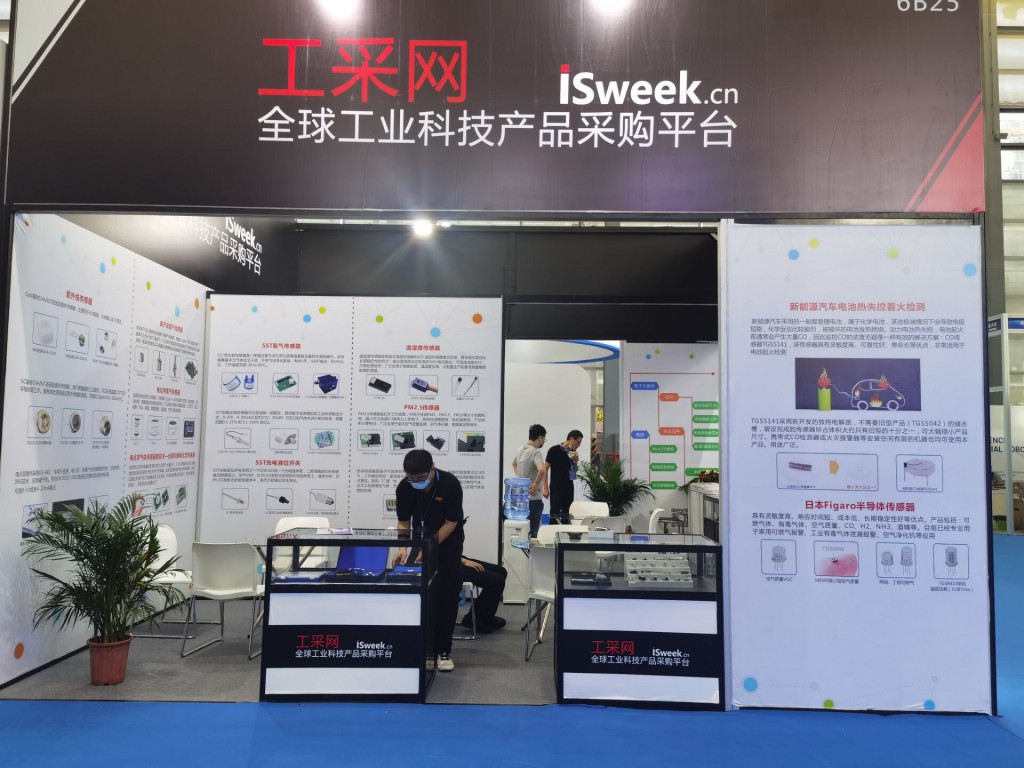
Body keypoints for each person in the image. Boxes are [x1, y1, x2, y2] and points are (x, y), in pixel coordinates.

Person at [393, 449, 464, 672]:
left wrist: (432, 547)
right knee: (423, 597)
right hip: (421, 543)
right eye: (411, 478)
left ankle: (443, 651)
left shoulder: (450, 484)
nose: (416, 482)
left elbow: (451, 522)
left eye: (420, 478)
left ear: (432, 468)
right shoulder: (404, 487)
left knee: (446, 596)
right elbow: (404, 522)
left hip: (448, 543)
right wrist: (402, 548)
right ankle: (425, 649)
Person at [511, 423, 548, 537]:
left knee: (523, 530)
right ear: (540, 438)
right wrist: (536, 483)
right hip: (534, 499)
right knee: (533, 532)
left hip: (521, 498)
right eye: (543, 439)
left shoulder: (520, 449)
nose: (543, 442)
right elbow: (542, 470)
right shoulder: (535, 452)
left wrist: (520, 479)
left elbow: (514, 464)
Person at [458, 556, 508, 633]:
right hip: (446, 565)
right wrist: (465, 561)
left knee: (501, 571)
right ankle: (477, 619)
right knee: (497, 580)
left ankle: (484, 616)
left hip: (456, 558)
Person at [546, 429, 583, 525]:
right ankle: (552, 533)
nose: (579, 445)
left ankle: (565, 533)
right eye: (578, 442)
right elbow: (545, 469)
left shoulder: (573, 452)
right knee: (554, 515)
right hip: (556, 487)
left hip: (569, 488)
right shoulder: (553, 450)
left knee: (567, 515)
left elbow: (573, 475)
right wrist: (545, 488)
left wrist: (575, 463)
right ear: (571, 439)